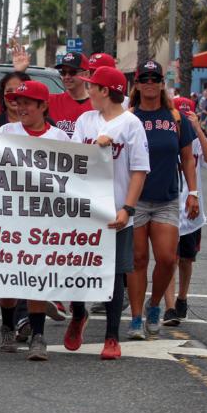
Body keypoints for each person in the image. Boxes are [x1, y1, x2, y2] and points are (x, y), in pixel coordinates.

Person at [68, 66, 149, 359]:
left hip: (115, 211)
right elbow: (72, 161)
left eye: (93, 86)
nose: (88, 91)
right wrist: (95, 150)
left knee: (113, 276)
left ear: (106, 91)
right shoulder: (85, 121)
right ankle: (78, 314)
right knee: (76, 267)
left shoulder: (131, 124)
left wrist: (127, 208)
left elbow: (139, 171)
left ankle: (112, 337)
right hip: (84, 210)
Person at [0, 80, 70, 361]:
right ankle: (7, 326)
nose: (21, 107)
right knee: (9, 277)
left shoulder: (60, 138)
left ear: (43, 106)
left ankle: (38, 336)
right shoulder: (6, 131)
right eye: (18, 102)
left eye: (27, 102)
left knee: (36, 276)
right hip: (10, 215)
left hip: (43, 217)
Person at [126, 60, 199, 339]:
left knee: (168, 259)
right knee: (138, 258)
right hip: (136, 199)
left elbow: (188, 159)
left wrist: (192, 193)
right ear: (137, 83)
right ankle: (135, 318)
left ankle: (154, 305)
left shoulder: (175, 118)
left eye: (154, 78)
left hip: (167, 198)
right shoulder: (129, 117)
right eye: (143, 78)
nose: (149, 83)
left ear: (161, 83)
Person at [162, 103, 207, 325]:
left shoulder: (195, 140)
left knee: (186, 259)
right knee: (168, 259)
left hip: (192, 211)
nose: (181, 122)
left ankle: (182, 298)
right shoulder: (165, 138)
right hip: (168, 206)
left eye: (186, 117)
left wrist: (198, 129)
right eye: (179, 117)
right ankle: (169, 308)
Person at [48, 52, 92, 138]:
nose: (67, 76)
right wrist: (20, 72)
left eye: (72, 72)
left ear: (86, 74)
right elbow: (23, 103)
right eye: (63, 72)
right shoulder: (51, 101)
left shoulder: (98, 104)